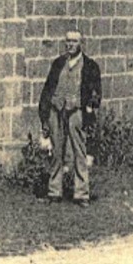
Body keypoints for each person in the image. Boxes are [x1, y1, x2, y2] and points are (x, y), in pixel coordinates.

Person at [38, 27, 102, 205]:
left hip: (77, 112)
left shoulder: (90, 66)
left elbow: (96, 94)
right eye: (68, 41)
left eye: (74, 41)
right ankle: (54, 192)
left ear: (81, 43)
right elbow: (48, 88)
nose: (70, 44)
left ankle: (81, 194)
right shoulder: (58, 63)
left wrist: (85, 105)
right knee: (56, 151)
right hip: (56, 111)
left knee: (79, 152)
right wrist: (45, 113)